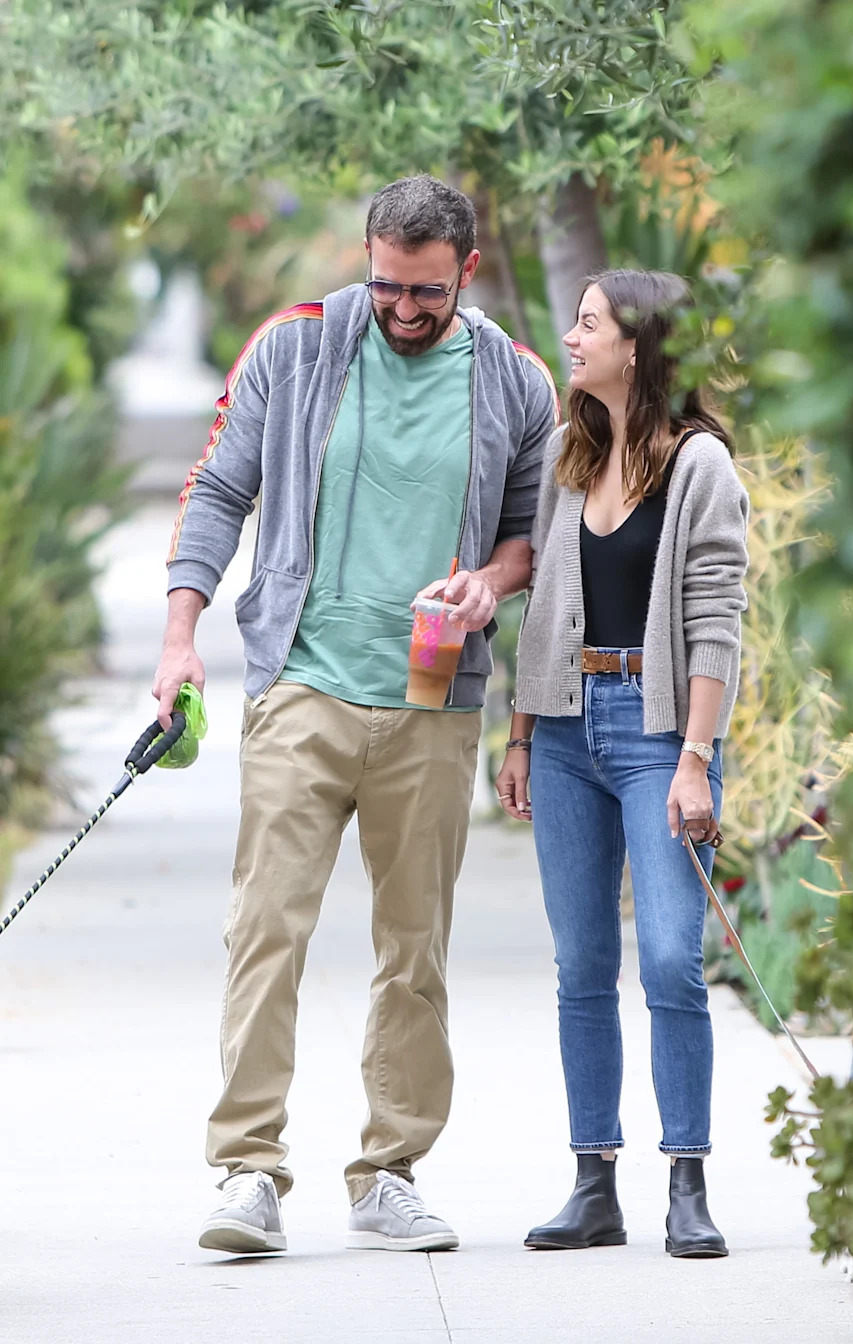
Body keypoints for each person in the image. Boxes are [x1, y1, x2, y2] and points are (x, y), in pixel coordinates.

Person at [153, 175, 559, 1254]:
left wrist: (490, 584)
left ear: (466, 272)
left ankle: (389, 1173)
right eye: (387, 285)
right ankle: (249, 1170)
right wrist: (182, 635)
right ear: (368, 260)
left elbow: (534, 531)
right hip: (304, 685)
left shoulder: (516, 380)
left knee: (414, 950)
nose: (403, 309)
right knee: (265, 929)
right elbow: (216, 488)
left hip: (432, 702)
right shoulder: (294, 346)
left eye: (427, 291)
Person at [496, 268, 749, 1255]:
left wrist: (694, 758)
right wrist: (521, 737)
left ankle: (687, 1181)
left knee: (672, 959)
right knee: (583, 965)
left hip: (657, 733)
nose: (571, 336)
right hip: (565, 733)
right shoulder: (575, 451)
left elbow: (716, 622)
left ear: (638, 346)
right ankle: (593, 1183)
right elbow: (542, 614)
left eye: (590, 323)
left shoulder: (700, 466)